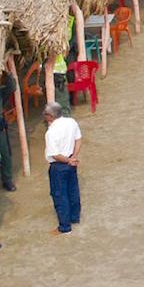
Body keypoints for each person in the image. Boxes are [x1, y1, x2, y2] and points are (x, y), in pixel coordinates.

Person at [43, 101, 82, 236]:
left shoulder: (51, 132)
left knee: (60, 195)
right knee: (73, 190)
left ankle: (65, 226)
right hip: (71, 162)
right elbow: (78, 139)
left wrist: (68, 160)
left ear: (50, 116)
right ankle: (75, 216)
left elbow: (55, 154)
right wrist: (74, 157)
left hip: (59, 166)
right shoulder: (71, 122)